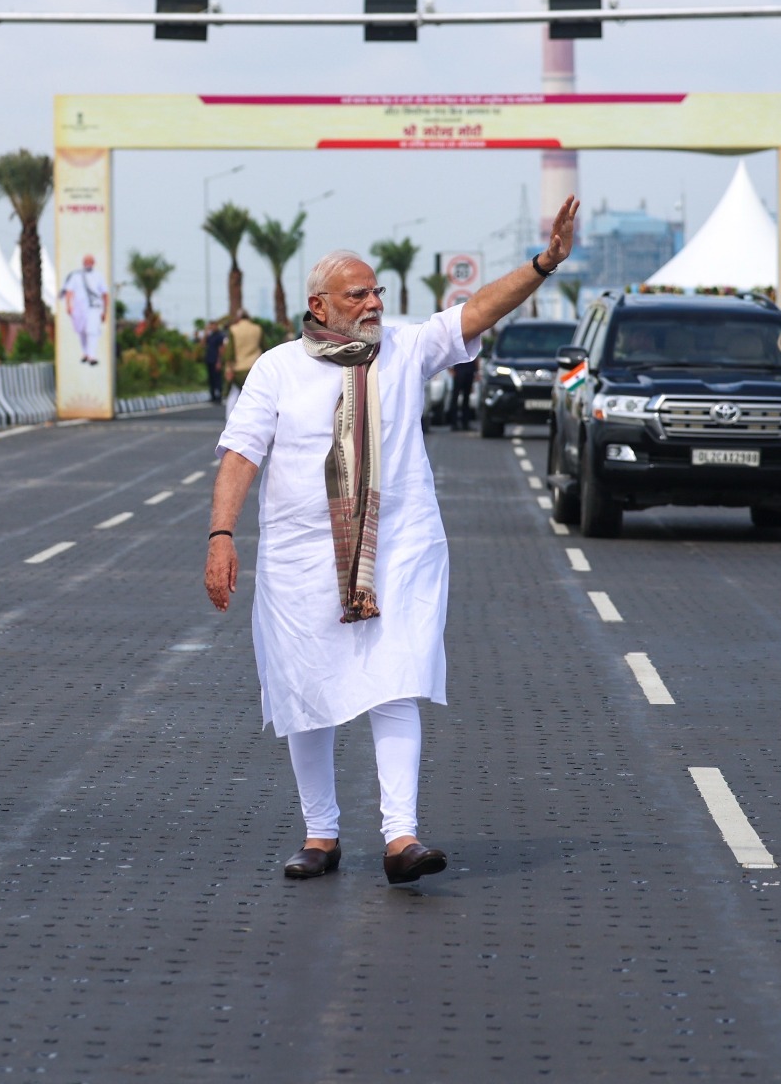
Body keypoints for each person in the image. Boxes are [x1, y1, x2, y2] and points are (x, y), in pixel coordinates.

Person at [205, 196, 579, 885]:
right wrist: (221, 535)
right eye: (358, 294)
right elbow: (240, 454)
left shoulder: (404, 349)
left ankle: (400, 836)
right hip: (300, 559)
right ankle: (320, 835)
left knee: (397, 681)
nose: (374, 302)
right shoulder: (278, 369)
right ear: (319, 306)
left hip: (398, 550)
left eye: (376, 290)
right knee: (306, 691)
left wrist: (544, 264)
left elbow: (477, 311)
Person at [59, 253, 109, 366]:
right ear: (83, 263)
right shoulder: (76, 276)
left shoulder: (99, 276)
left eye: (90, 261)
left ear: (94, 263)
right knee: (82, 331)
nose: (88, 263)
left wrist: (105, 311)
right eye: (86, 261)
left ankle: (92, 356)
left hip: (94, 307)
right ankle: (85, 353)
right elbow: (69, 292)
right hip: (79, 308)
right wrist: (68, 305)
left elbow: (105, 294)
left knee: (92, 331)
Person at [223, 309, 263, 416]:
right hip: (254, 367)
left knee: (234, 393)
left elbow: (230, 351)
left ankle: (229, 418)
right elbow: (264, 347)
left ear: (238, 318)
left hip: (239, 368)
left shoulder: (234, 329)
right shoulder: (257, 329)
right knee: (255, 395)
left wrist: (228, 367)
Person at [447, 352, 478, 430]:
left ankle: (465, 423)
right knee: (455, 397)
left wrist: (477, 371)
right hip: (459, 369)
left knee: (466, 397)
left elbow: (476, 355)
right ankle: (454, 423)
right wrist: (450, 368)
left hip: (469, 369)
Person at [202, 321, 227, 403]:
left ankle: (219, 396)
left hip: (216, 360)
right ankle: (212, 396)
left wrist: (219, 361)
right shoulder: (210, 336)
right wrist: (205, 333)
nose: (211, 327)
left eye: (213, 326)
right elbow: (203, 344)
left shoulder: (220, 336)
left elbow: (221, 349)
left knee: (217, 379)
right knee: (211, 379)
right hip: (209, 359)